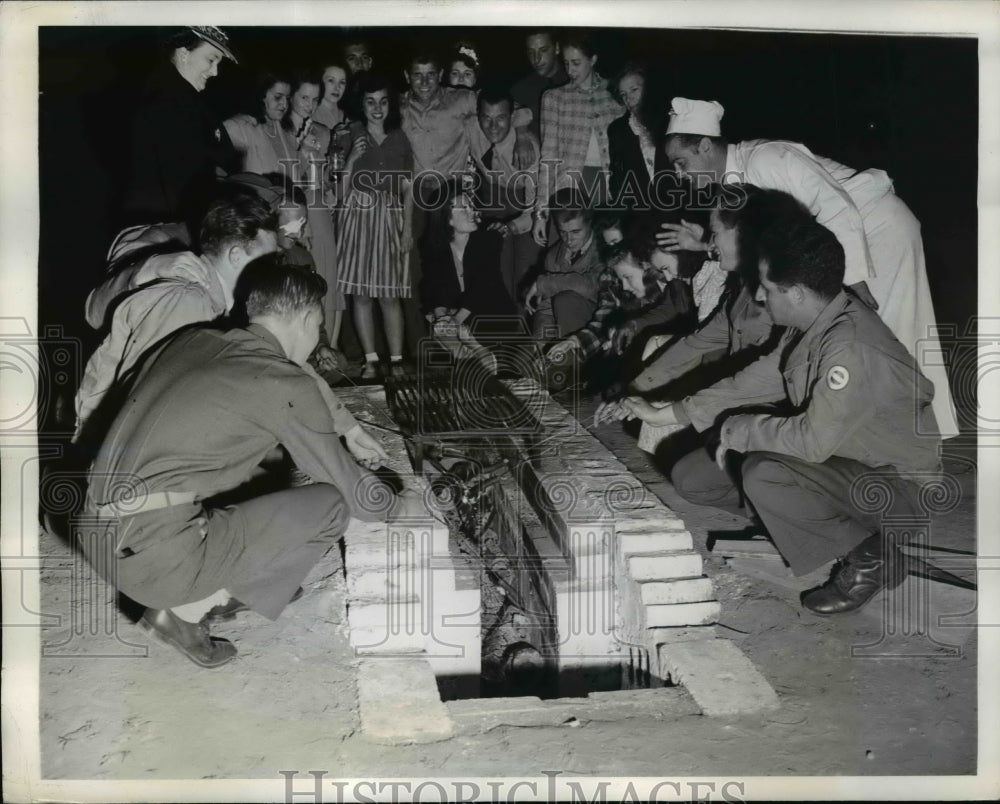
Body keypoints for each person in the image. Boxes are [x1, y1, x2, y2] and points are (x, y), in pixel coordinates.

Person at [604, 218, 942, 615]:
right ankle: (810, 526)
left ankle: (871, 557)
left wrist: (735, 429)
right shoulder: (815, 321)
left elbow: (809, 442)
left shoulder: (848, 348)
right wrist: (669, 413)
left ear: (796, 293)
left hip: (897, 491)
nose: (760, 299)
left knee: (765, 473)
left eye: (767, 289)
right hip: (848, 465)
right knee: (694, 478)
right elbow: (752, 381)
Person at [79, 260, 391, 667]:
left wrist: (343, 428)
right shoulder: (282, 381)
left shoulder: (196, 340)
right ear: (308, 316)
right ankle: (185, 610)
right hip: (152, 564)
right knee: (331, 505)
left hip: (94, 531)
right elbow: (362, 500)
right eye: (318, 326)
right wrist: (402, 504)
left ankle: (220, 583)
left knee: (258, 469)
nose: (317, 340)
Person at [658, 96, 959, 437]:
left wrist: (856, 280)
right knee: (859, 338)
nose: (679, 174)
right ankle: (887, 434)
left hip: (877, 229)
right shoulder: (733, 184)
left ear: (704, 147)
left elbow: (836, 205)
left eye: (681, 162)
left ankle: (915, 436)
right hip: (844, 242)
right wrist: (706, 246)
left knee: (888, 333)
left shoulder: (767, 157)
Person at [75, 192, 279, 443]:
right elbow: (150, 403)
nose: (272, 275)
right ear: (236, 256)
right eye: (267, 262)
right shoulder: (190, 301)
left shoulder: (209, 301)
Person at [336, 74, 415, 379]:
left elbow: (408, 189)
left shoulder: (399, 138)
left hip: (390, 216)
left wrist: (407, 229)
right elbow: (340, 193)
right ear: (362, 104)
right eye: (370, 102)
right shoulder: (350, 134)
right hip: (356, 216)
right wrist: (351, 160)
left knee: (389, 293)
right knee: (361, 294)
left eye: (383, 101)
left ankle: (395, 360)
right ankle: (370, 359)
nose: (377, 108)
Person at [122, 26, 241, 228]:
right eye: (211, 60)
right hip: (167, 228)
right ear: (184, 54)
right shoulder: (166, 102)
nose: (215, 72)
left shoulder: (187, 100)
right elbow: (180, 182)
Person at [533, 31, 624, 247]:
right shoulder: (555, 98)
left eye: (576, 63)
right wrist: (541, 212)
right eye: (566, 64)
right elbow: (548, 157)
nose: (570, 70)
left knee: (608, 250)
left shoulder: (615, 92)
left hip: (611, 185)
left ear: (593, 60)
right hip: (571, 187)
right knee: (573, 249)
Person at [418, 180, 518, 371]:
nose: (473, 212)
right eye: (463, 208)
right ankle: (469, 359)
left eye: (471, 206)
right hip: (460, 314)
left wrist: (455, 321)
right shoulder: (433, 247)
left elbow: (485, 285)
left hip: (491, 312)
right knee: (437, 324)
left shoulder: (489, 240)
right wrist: (442, 318)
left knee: (460, 330)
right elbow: (433, 287)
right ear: (447, 218)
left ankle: (478, 353)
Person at [278, 71, 345, 350]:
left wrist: (334, 174)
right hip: (292, 211)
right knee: (298, 278)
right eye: (304, 97)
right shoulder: (279, 130)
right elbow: (285, 179)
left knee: (328, 276)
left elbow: (324, 178)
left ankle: (330, 349)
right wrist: (300, 151)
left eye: (315, 99)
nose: (309, 104)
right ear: (292, 96)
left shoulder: (323, 131)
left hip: (319, 209)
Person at [466, 85, 541, 312]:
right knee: (494, 269)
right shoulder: (470, 127)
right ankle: (500, 334)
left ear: (512, 117)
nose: (493, 126)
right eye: (486, 118)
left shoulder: (529, 150)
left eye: (501, 119)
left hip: (525, 205)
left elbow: (534, 209)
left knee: (525, 272)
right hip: (492, 198)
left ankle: (525, 335)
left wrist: (510, 226)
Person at [525, 189, 604, 341]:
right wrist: (539, 343)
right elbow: (546, 308)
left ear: (590, 222)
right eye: (563, 232)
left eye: (576, 231)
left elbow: (591, 286)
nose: (569, 239)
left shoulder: (603, 248)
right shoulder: (553, 256)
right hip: (565, 332)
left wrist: (542, 283)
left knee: (566, 301)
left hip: (600, 330)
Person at [607, 61, 675, 213]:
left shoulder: (672, 120)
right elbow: (617, 179)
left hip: (677, 211)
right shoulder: (617, 130)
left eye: (634, 90)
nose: (629, 99)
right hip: (639, 216)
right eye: (623, 95)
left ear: (649, 89)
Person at [223, 72, 295, 179]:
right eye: (278, 97)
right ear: (262, 96)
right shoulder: (239, 127)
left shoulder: (287, 130)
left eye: (287, 98)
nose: (284, 104)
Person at [510, 31, 568, 141]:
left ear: (557, 48)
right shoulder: (519, 90)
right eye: (531, 52)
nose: (536, 59)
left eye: (543, 50)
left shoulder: (574, 80)